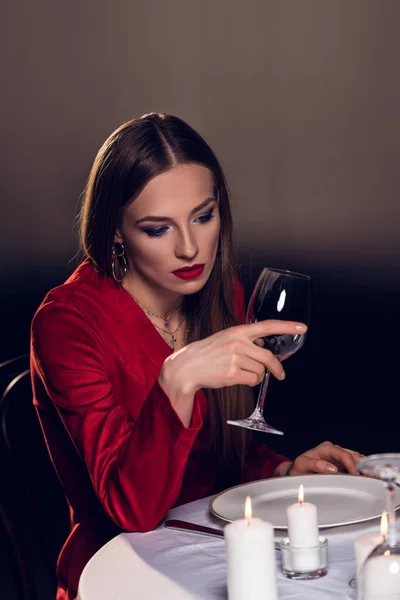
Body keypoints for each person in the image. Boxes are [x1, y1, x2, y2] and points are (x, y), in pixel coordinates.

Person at [31, 113, 363, 600]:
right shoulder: (67, 323)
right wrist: (176, 380)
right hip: (122, 573)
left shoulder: (219, 291)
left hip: (218, 548)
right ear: (117, 232)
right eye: (157, 229)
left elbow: (218, 455)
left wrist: (281, 471)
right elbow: (132, 511)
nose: (190, 249)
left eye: (203, 217)